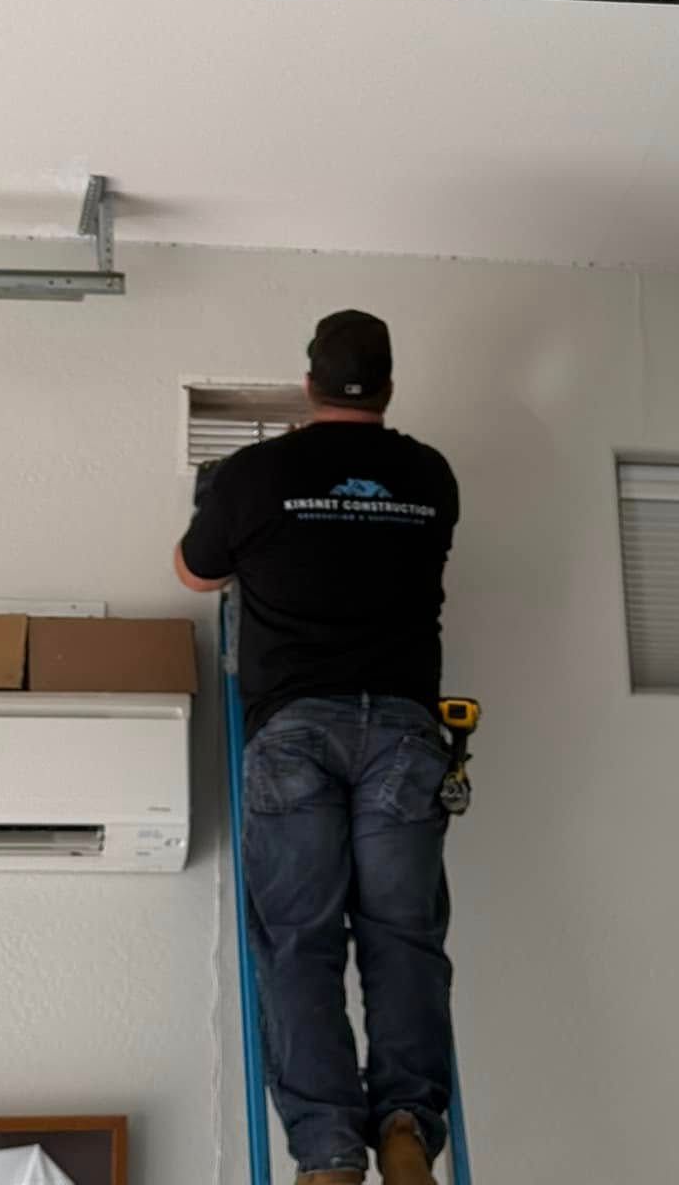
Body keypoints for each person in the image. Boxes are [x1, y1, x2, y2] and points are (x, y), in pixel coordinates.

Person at [175, 310, 460, 1185]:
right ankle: (407, 1122)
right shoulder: (431, 476)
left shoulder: (258, 476)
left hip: (295, 729)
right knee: (402, 937)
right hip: (407, 735)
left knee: (300, 939)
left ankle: (331, 1150)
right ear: (387, 387)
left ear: (308, 383)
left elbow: (195, 572)